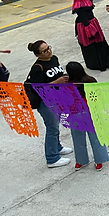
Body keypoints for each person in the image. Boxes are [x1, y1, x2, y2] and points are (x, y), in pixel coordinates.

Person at [24, 40, 72, 168]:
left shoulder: (54, 59)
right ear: (38, 54)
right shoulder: (37, 68)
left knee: (56, 125)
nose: (49, 51)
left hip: (57, 98)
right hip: (45, 102)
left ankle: (57, 147)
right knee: (52, 128)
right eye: (44, 51)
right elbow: (38, 88)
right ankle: (52, 158)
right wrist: (58, 81)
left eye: (48, 48)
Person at [65, 61, 109, 171]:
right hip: (90, 112)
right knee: (96, 138)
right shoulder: (90, 80)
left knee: (77, 138)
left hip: (74, 113)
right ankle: (99, 160)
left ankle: (80, 161)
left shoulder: (66, 85)